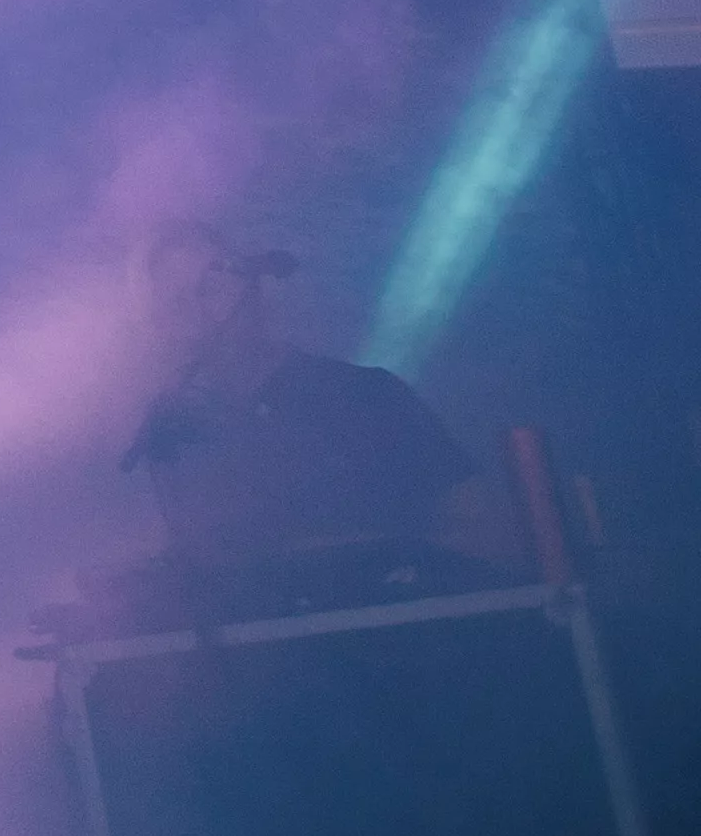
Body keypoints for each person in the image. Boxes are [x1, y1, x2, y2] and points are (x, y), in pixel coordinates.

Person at [116, 221, 504, 612]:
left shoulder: (362, 395)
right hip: (258, 663)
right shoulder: (170, 433)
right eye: (177, 302)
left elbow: (474, 518)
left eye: (210, 291)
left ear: (254, 292)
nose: (196, 314)